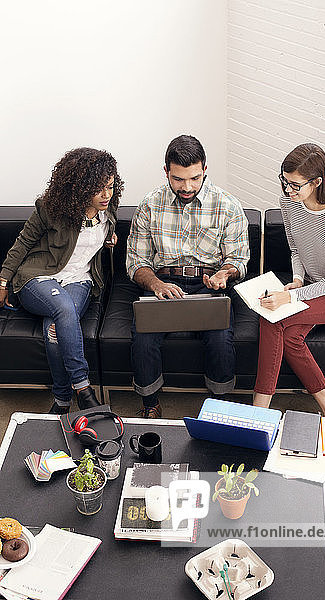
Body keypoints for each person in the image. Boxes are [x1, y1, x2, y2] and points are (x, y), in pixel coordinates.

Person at [126, 134, 250, 418]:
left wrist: (224, 274)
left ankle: (219, 404)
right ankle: (150, 404)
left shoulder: (227, 205)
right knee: (143, 338)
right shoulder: (149, 205)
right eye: (178, 179)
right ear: (166, 171)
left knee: (220, 339)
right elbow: (136, 261)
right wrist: (156, 284)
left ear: (205, 169)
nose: (187, 187)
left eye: (194, 178)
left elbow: (238, 259)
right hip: (162, 283)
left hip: (209, 284)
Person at [0, 148, 124, 414]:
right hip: (38, 278)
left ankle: (62, 401)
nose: (106, 195)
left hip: (80, 280)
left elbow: (105, 233)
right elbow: (22, 243)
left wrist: (109, 240)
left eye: (111, 187)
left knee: (54, 329)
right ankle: (84, 389)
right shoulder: (51, 209)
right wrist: (2, 281)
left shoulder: (107, 209)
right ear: (79, 188)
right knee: (64, 309)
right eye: (99, 189)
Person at [254, 143, 325, 417]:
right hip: (313, 287)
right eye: (285, 182)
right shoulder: (288, 204)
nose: (289, 191)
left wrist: (289, 297)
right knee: (291, 338)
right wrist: (297, 279)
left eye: (295, 185)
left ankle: (256, 416)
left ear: (316, 182)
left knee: (272, 317)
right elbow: (296, 249)